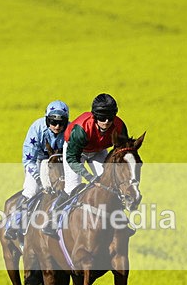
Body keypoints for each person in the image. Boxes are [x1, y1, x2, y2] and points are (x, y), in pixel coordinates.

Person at [42, 93, 129, 236]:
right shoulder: (81, 129)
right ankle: (52, 219)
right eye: (102, 118)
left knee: (111, 182)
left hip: (98, 150)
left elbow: (121, 150)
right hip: (75, 152)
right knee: (72, 187)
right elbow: (72, 158)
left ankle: (119, 218)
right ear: (94, 116)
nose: (106, 122)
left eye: (110, 118)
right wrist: (88, 176)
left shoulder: (119, 126)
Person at [4, 100, 69, 240]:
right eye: (53, 122)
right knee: (31, 190)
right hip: (38, 162)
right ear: (47, 120)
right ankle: (14, 223)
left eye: (61, 122)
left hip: (61, 163)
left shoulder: (70, 130)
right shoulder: (37, 128)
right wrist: (39, 179)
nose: (57, 126)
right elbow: (29, 159)